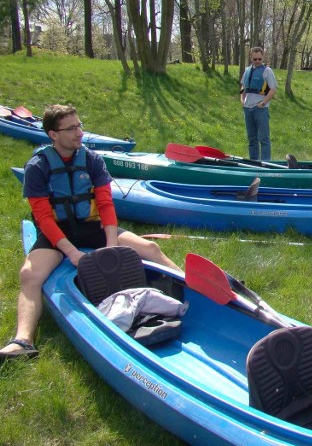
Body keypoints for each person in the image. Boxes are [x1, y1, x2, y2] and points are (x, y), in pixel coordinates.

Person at [0, 104, 182, 362]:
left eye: (79, 125)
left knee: (150, 248)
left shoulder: (92, 160)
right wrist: (72, 253)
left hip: (93, 226)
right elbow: (43, 217)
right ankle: (23, 341)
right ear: (53, 134)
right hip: (57, 232)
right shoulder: (37, 167)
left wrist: (110, 245)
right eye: (71, 128)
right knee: (29, 275)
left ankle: (195, 289)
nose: (79, 133)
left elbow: (106, 204)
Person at [240, 46, 278, 161]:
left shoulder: (267, 71)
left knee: (264, 139)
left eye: (259, 59)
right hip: (247, 109)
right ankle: (254, 162)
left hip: (260, 109)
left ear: (262, 58)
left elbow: (273, 89)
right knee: (252, 139)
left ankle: (266, 164)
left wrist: (263, 103)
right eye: (255, 59)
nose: (257, 61)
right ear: (251, 57)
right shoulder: (247, 71)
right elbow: (243, 87)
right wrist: (242, 100)